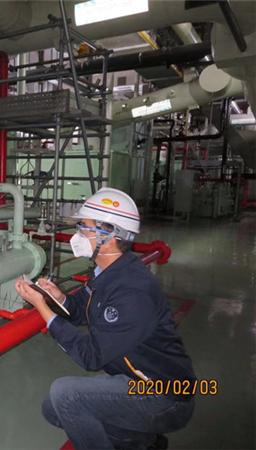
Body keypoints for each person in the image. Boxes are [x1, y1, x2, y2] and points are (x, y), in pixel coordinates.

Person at [15, 188, 195, 450]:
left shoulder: (132, 291)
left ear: (108, 236)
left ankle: (143, 436)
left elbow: (91, 356)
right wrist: (57, 297)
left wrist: (42, 307)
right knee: (52, 408)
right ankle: (143, 440)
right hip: (134, 378)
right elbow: (81, 309)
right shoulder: (107, 271)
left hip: (165, 396)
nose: (78, 234)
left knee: (65, 395)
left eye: (83, 227)